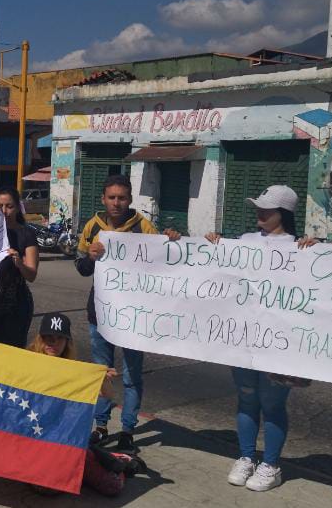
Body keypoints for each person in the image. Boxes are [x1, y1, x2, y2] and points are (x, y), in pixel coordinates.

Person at [205, 184, 316, 492]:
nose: (260, 212)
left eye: (267, 209)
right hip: (243, 339)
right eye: (259, 207)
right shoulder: (245, 241)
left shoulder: (300, 247)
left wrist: (317, 250)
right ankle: (245, 457)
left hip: (279, 344)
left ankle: (271, 464)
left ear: (284, 213)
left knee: (272, 404)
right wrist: (212, 244)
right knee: (246, 399)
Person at [76, 173, 179, 451]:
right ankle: (100, 425)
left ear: (130, 200)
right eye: (112, 197)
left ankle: (128, 429)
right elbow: (82, 269)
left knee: (133, 375)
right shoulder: (92, 227)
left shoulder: (143, 226)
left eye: (122, 198)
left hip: (135, 318)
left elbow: (163, 263)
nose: (117, 203)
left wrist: (172, 241)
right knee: (101, 374)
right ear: (103, 199)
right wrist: (90, 257)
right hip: (100, 314)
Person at [26, 312, 142, 497]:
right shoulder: (26, 363)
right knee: (47, 488)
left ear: (67, 342)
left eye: (59, 338)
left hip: (66, 443)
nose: (53, 343)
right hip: (35, 440)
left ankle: (117, 460)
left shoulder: (75, 371)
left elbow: (107, 395)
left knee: (112, 487)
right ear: (40, 339)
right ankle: (95, 457)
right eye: (48, 337)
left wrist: (102, 379)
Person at [0, 188, 40, 348]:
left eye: (9, 206)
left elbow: (31, 275)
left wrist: (19, 263)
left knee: (13, 352)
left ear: (18, 207)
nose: (4, 211)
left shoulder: (26, 234)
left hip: (16, 304)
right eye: (0, 205)